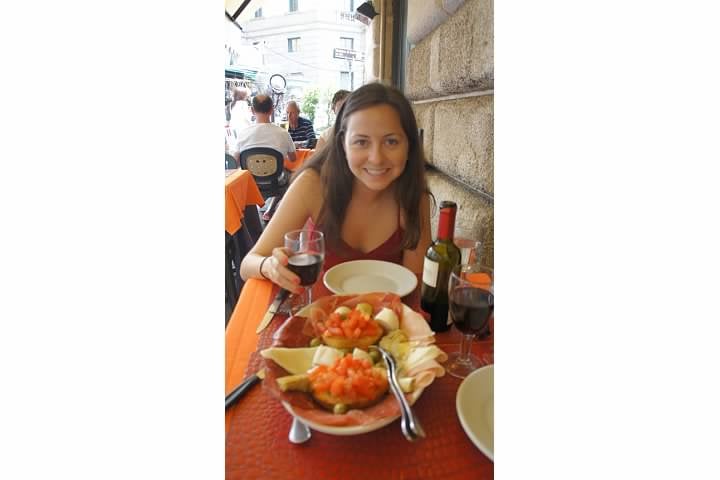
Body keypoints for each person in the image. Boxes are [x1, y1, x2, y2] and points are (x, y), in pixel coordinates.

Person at [239, 83, 432, 296]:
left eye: (391, 141)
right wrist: (270, 266)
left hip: (387, 315)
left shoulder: (414, 195)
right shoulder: (313, 184)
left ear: (409, 145)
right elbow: (248, 264)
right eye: (361, 142)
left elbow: (414, 287)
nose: (376, 158)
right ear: (342, 143)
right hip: (317, 313)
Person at [232, 94, 296, 164]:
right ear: (272, 110)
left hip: (249, 171)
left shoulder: (242, 134)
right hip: (277, 171)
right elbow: (293, 158)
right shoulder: (284, 134)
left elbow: (235, 161)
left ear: (252, 110)